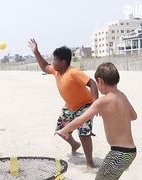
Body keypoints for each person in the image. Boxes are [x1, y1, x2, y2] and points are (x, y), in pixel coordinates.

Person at [57, 62, 137, 180]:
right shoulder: (122, 95)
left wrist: (64, 130)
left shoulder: (103, 101)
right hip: (131, 152)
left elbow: (80, 120)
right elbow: (133, 116)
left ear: (100, 81)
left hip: (118, 153)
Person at [28, 39, 98, 168]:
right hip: (70, 107)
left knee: (84, 133)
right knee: (60, 130)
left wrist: (95, 104)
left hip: (85, 106)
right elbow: (44, 66)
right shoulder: (56, 70)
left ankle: (90, 162)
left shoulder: (73, 72)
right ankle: (74, 144)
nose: (53, 62)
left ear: (63, 62)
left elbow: (92, 83)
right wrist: (36, 52)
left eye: (55, 60)